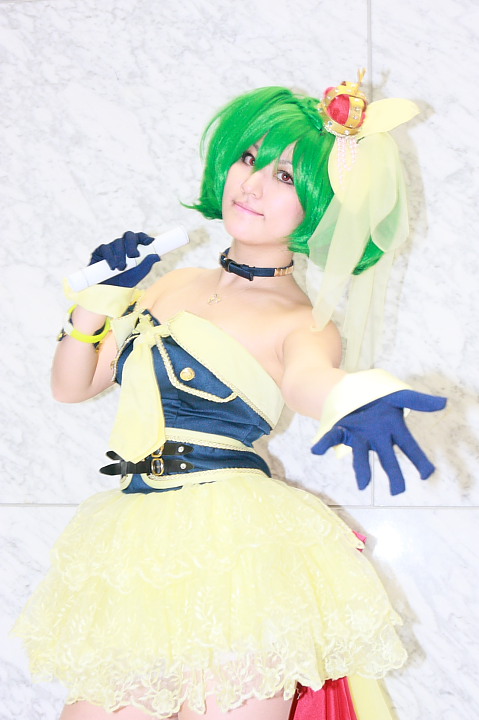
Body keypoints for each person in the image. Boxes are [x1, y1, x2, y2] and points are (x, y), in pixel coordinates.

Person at [14, 76, 445, 720]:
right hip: (136, 539)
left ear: (320, 207)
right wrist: (95, 303)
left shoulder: (303, 321)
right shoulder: (172, 284)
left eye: (286, 177)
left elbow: (309, 379)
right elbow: (72, 386)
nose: (253, 184)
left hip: (239, 548)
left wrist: (352, 396)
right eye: (249, 159)